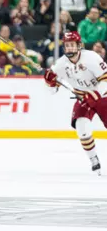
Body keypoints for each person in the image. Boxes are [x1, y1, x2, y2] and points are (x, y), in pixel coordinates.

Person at [44, 31, 107, 174]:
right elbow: (52, 91)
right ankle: (94, 160)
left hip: (102, 96)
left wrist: (95, 94)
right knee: (81, 128)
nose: (69, 48)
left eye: (72, 45)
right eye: (67, 46)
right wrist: (49, 82)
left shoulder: (91, 57)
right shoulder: (60, 65)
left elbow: (105, 79)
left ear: (79, 46)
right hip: (83, 98)